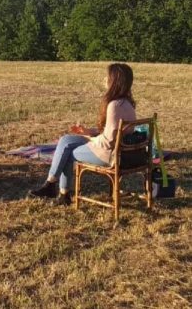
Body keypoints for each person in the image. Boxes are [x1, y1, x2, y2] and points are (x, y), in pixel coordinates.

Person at [30, 63, 136, 205]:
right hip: (121, 151)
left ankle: (59, 191)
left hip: (109, 154)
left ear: (114, 80)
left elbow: (108, 140)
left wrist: (88, 138)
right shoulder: (127, 103)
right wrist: (89, 132)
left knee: (67, 151)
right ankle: (53, 186)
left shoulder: (114, 106)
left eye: (107, 76)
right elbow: (113, 130)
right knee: (66, 140)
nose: (105, 79)